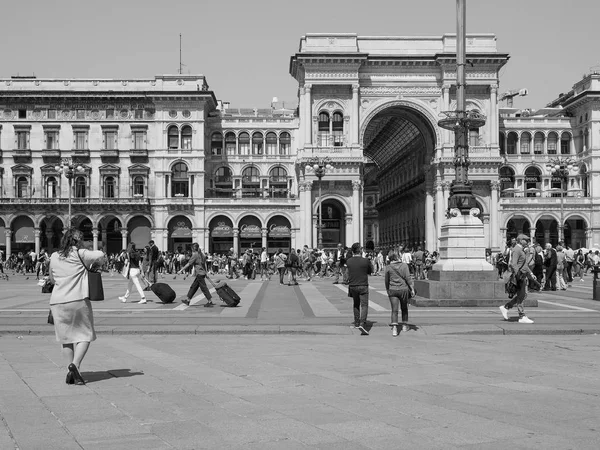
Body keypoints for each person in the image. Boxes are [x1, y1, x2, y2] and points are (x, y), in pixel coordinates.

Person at [48, 228, 106, 385]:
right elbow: (100, 254)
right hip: (78, 299)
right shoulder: (81, 254)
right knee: (85, 335)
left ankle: (70, 371)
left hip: (57, 301)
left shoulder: (54, 256)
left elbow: (52, 280)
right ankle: (75, 365)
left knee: (65, 339)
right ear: (78, 241)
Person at [499, 234, 534, 324]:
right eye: (526, 240)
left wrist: (531, 273)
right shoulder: (517, 250)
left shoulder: (521, 249)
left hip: (522, 274)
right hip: (519, 275)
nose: (527, 242)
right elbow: (513, 264)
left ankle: (506, 307)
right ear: (521, 240)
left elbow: (524, 264)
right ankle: (521, 316)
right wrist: (518, 274)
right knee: (521, 295)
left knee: (522, 295)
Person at [384, 250, 415, 337]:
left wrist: (387, 289)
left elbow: (386, 280)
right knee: (404, 308)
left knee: (394, 310)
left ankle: (394, 328)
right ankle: (404, 326)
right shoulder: (404, 266)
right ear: (397, 256)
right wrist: (412, 289)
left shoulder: (388, 267)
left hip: (393, 289)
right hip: (403, 289)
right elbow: (408, 278)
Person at [346, 242, 373, 335]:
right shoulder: (365, 261)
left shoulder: (349, 261)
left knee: (356, 304)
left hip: (352, 285)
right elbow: (370, 271)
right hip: (363, 285)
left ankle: (357, 322)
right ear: (360, 250)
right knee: (364, 305)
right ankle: (362, 323)